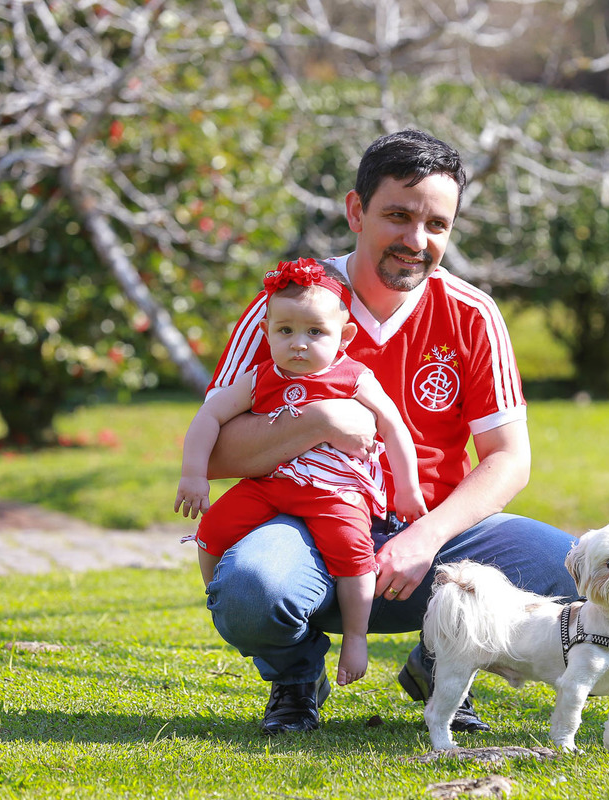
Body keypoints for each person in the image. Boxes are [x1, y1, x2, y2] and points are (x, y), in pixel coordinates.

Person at [200, 128, 580, 735]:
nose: (416, 240)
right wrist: (318, 421)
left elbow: (509, 459)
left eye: (436, 224)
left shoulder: (472, 314)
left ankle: (441, 662)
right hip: (306, 526)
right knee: (249, 586)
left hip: (432, 533)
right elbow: (214, 452)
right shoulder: (290, 307)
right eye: (398, 216)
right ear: (356, 211)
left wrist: (423, 537)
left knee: (572, 565)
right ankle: (296, 681)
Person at [175, 258, 427, 687]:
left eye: (315, 332)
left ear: (344, 336)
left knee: (353, 557)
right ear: (266, 332)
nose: (298, 344)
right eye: (285, 330)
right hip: (271, 486)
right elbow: (209, 416)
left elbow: (394, 426)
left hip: (337, 491)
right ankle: (217, 596)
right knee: (213, 527)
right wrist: (193, 474)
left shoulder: (353, 377)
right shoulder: (260, 378)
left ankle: (355, 636)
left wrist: (407, 489)